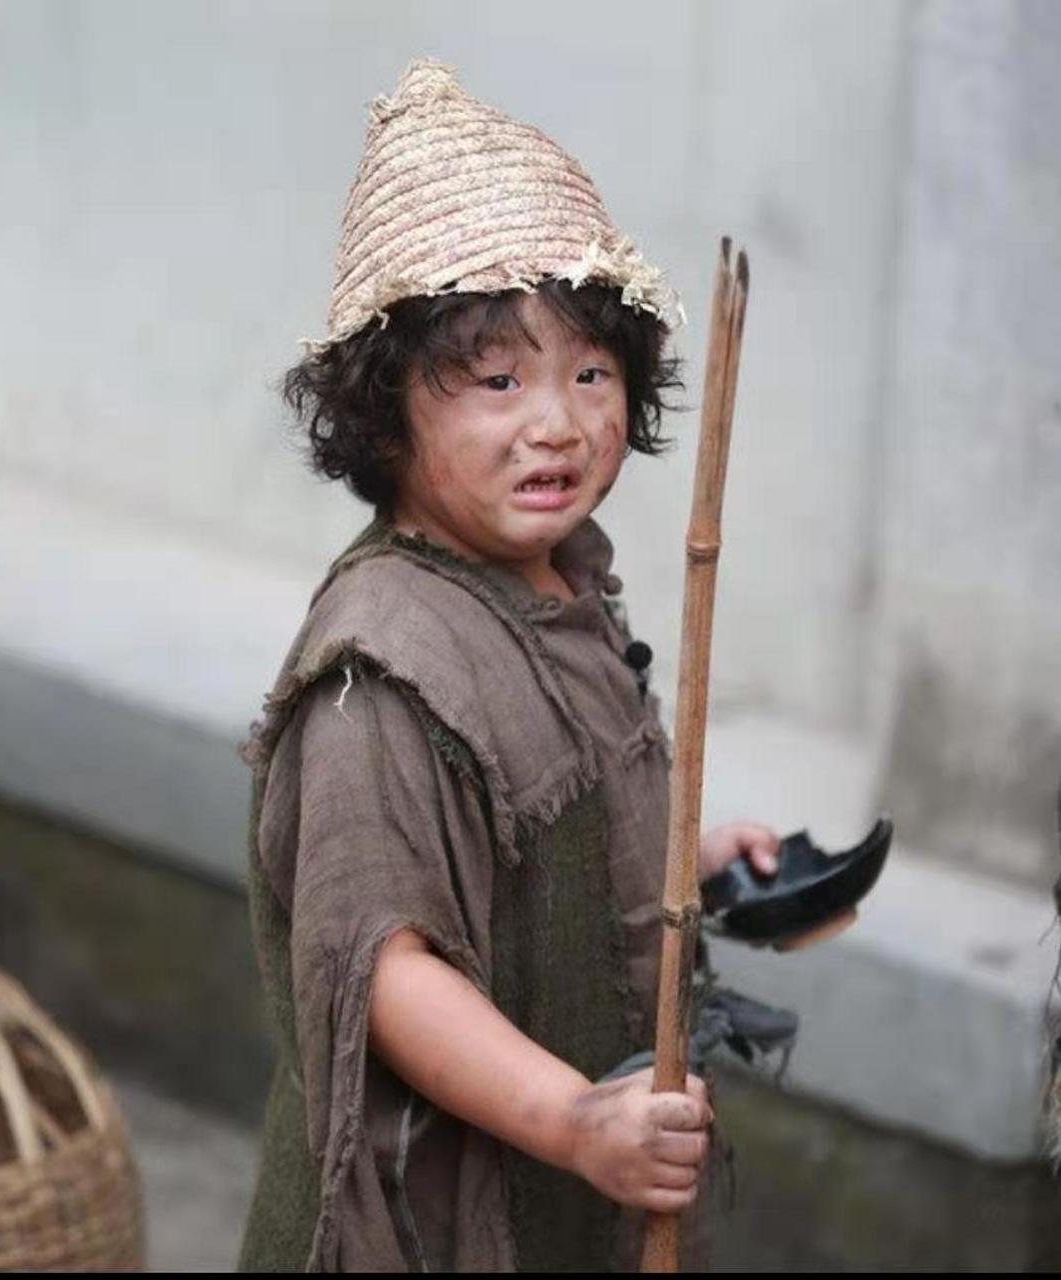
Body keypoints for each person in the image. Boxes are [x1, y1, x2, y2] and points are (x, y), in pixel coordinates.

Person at [238, 58, 780, 1273]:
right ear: (384, 417)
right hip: (443, 1219)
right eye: (497, 379)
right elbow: (384, 968)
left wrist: (685, 866)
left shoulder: (560, 586)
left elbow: (544, 840)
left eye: (590, 371)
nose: (559, 421)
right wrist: (576, 1120)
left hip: (568, 1213)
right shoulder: (384, 673)